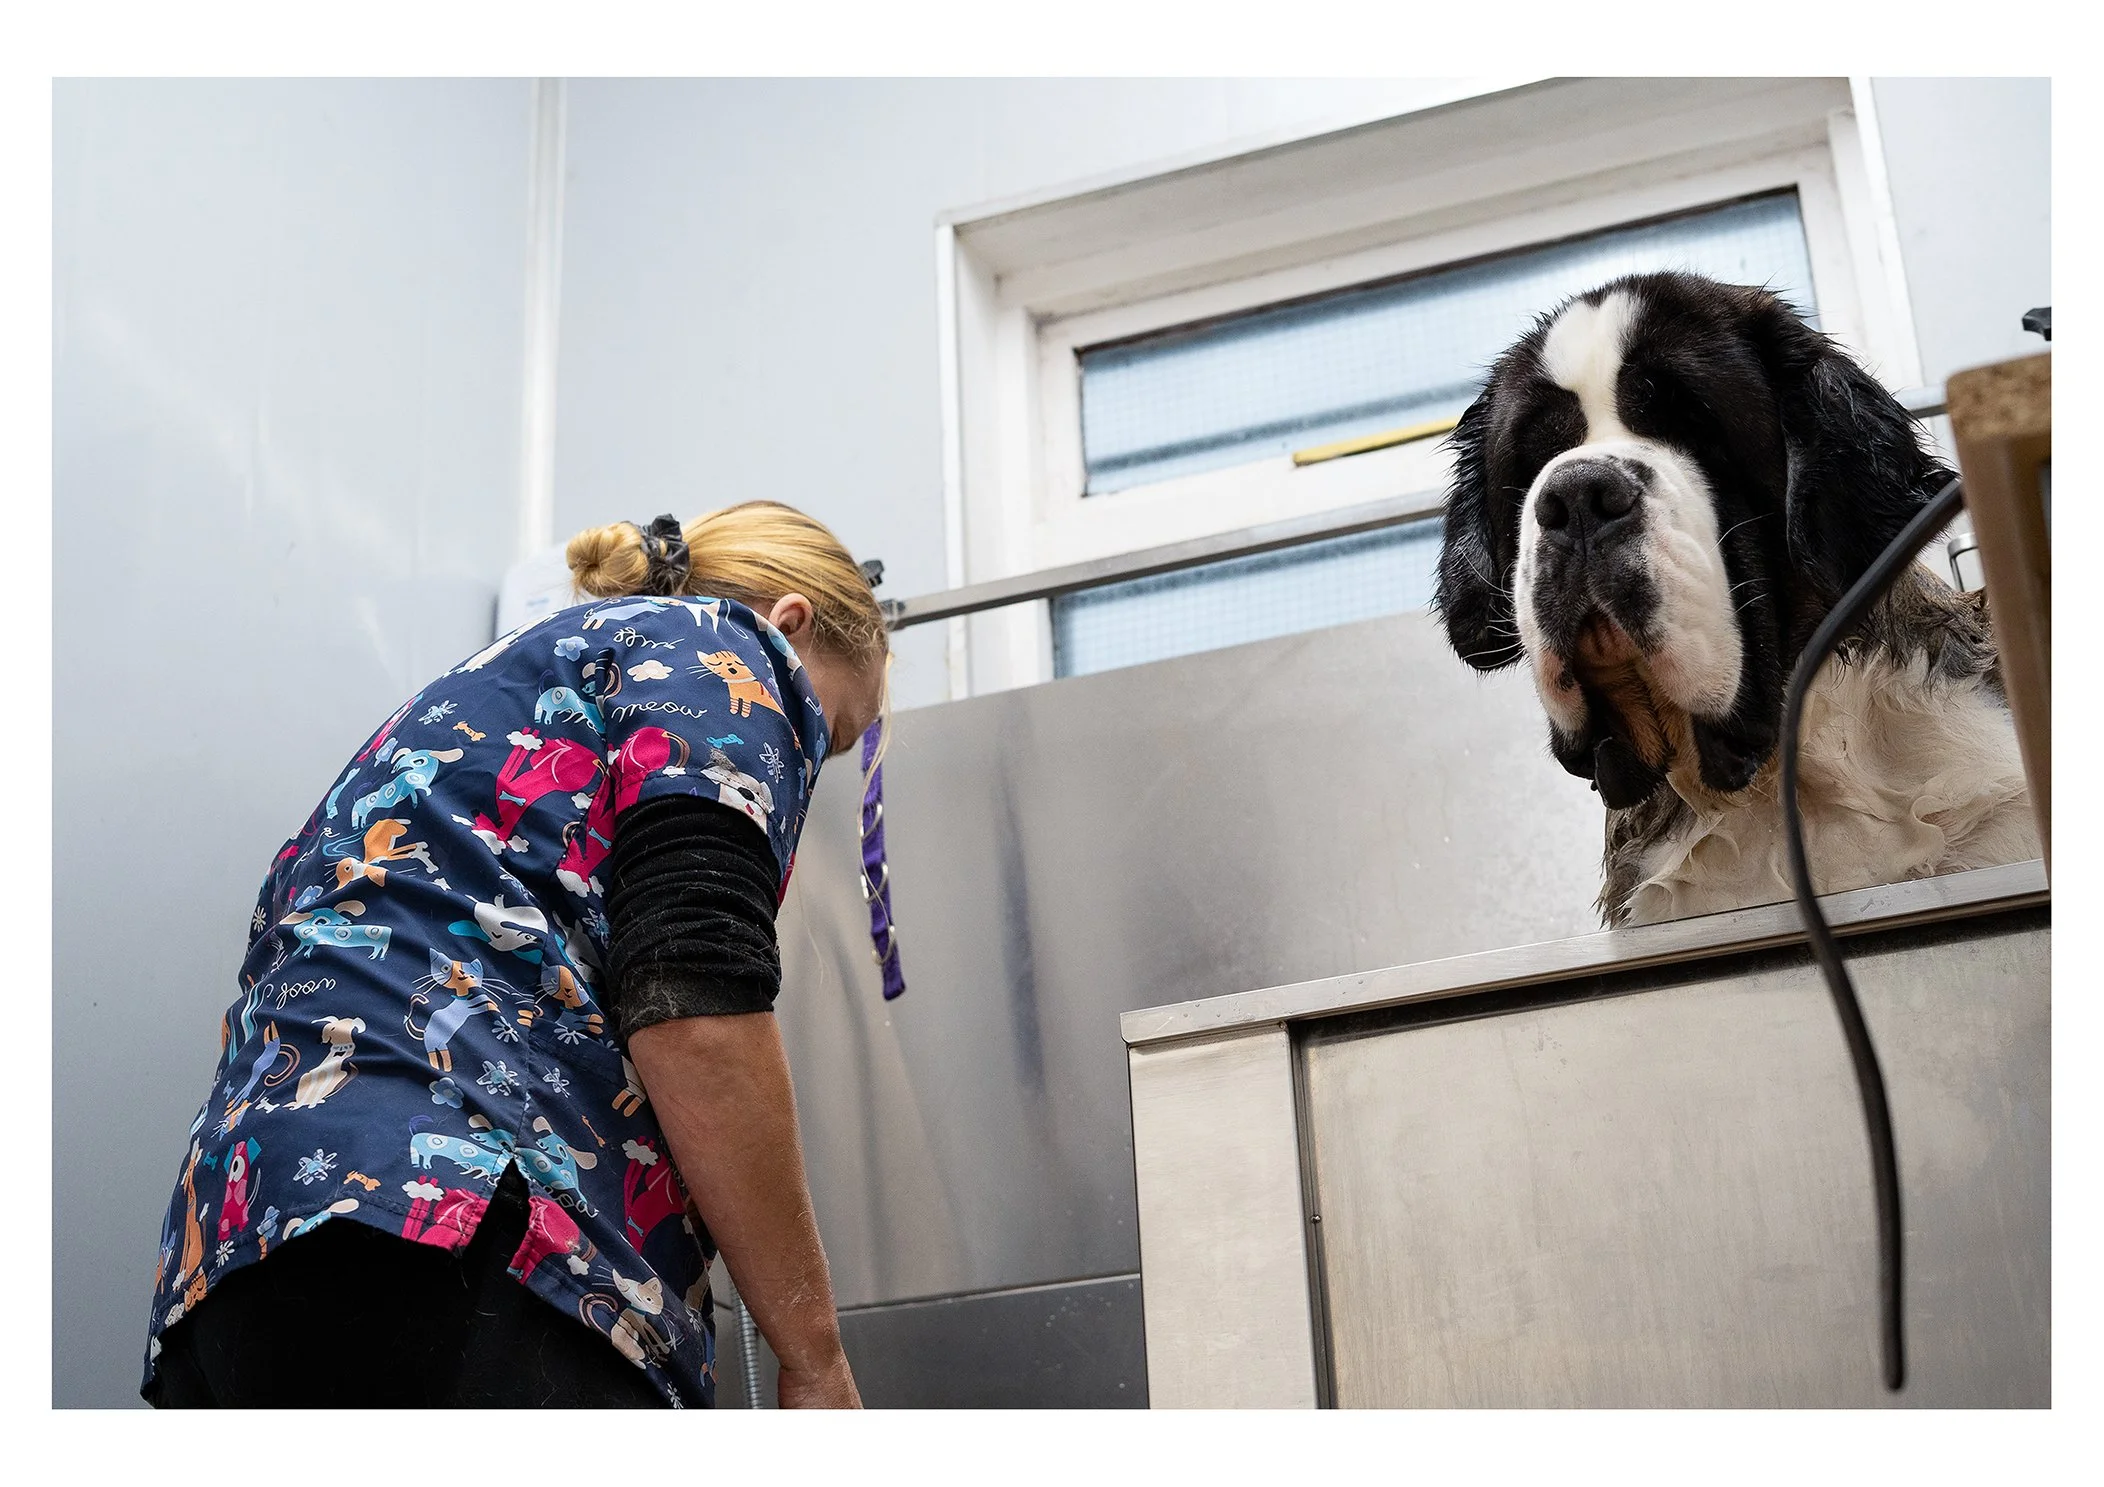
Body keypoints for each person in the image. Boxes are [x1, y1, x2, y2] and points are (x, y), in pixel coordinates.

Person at [141, 502, 887, 1409]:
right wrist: (815, 1359)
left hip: (236, 1252)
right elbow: (693, 999)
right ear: (790, 621)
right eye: (831, 731)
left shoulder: (485, 692)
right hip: (475, 1239)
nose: (807, 764)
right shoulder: (725, 654)